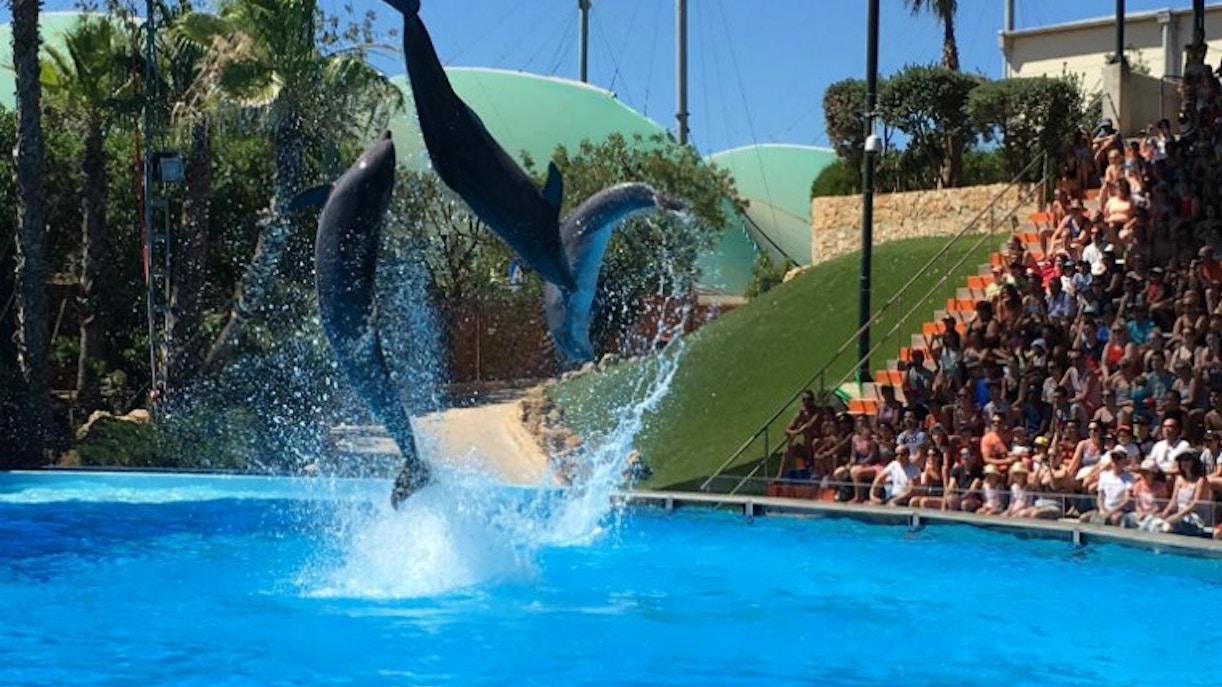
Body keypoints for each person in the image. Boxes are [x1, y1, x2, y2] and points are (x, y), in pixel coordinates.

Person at [1145, 451, 1212, 536]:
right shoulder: (1179, 479)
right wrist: (1164, 513)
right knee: (1152, 520)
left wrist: (1177, 516)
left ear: (1194, 462)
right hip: (1180, 516)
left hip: (1196, 519)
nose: (1184, 463)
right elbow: (1174, 500)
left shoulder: (1201, 480)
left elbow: (1195, 504)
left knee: (1167, 526)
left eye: (1187, 460)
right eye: (1182, 460)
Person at [1078, 448, 1133, 526]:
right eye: (1113, 458)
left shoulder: (1129, 477)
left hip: (1120, 511)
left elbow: (1127, 499)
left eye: (1119, 458)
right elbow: (1101, 495)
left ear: (1124, 461)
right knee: (1083, 518)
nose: (1115, 461)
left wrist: (1112, 512)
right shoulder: (1104, 475)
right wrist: (1102, 509)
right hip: (1104, 509)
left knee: (1115, 519)